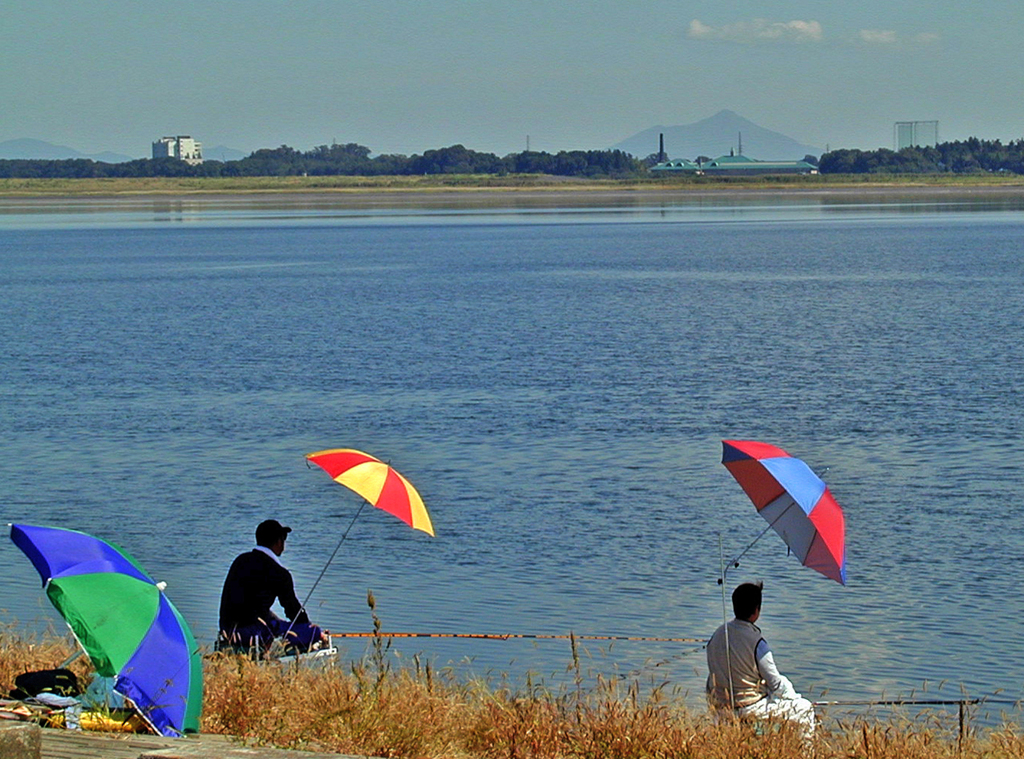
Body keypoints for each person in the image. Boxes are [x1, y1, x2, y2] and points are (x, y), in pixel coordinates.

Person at [705, 582, 815, 739]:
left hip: (721, 707)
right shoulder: (757, 642)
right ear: (756, 610)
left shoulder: (717, 635)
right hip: (749, 707)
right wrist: (794, 697)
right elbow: (775, 683)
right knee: (805, 708)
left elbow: (712, 676)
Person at [218, 519, 327, 654]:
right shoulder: (279, 573)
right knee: (314, 632)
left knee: (273, 620)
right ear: (279, 542)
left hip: (226, 629)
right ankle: (315, 637)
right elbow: (293, 610)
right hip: (253, 634)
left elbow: (246, 604)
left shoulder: (240, 560)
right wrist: (308, 628)